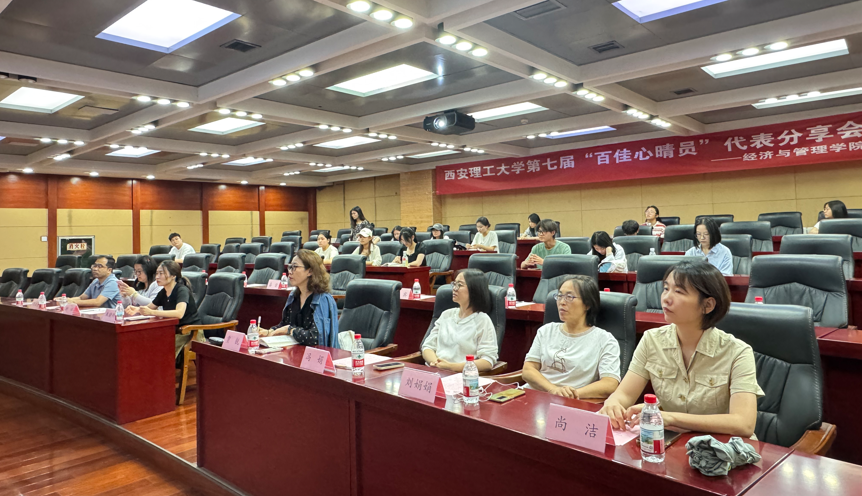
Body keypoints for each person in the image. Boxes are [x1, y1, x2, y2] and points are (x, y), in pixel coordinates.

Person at [599, 261, 763, 438]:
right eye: (666, 288)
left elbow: (743, 424)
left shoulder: (738, 352)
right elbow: (624, 394)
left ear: (707, 305)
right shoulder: (651, 340)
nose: (666, 298)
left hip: (721, 448)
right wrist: (613, 403)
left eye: (678, 291)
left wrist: (671, 418)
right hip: (672, 443)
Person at [523, 276, 621, 399]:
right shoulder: (546, 330)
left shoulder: (605, 340)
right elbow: (528, 369)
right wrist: (553, 390)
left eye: (569, 297)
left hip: (572, 401)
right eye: (559, 296)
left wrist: (571, 394)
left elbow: (610, 383)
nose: (562, 302)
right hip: (536, 396)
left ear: (587, 304)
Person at [258, 250, 340, 348]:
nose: (290, 271)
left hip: (315, 354)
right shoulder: (294, 296)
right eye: (290, 267)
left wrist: (290, 330)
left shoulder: (322, 299)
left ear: (310, 271)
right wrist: (269, 332)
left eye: (295, 267)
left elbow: (316, 337)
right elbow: (285, 324)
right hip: (295, 351)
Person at [422, 269, 498, 372]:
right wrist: (436, 363)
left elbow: (487, 361)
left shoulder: (482, 320)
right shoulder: (446, 314)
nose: (454, 288)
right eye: (454, 284)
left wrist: (451, 367)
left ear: (474, 289)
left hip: (462, 375)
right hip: (435, 371)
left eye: (460, 285)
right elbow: (427, 346)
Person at [125, 261, 202, 358]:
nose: (157, 277)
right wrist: (137, 309)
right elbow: (150, 307)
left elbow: (179, 313)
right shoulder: (163, 292)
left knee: (160, 348)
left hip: (189, 332)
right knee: (145, 340)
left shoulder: (182, 290)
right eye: (157, 273)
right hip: (172, 329)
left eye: (161, 273)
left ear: (173, 276)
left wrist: (152, 312)